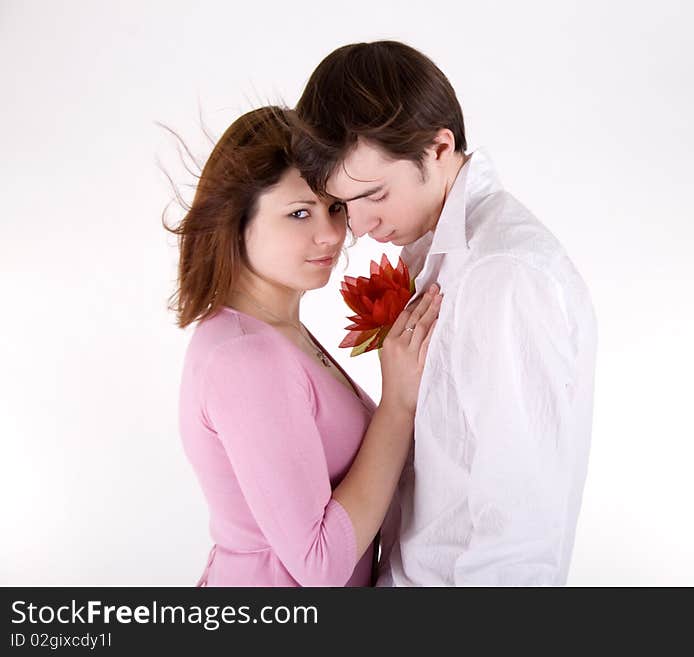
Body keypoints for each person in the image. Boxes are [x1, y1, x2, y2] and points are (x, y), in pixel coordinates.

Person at [291, 41, 598, 586]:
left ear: (438, 148)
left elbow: (520, 532)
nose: (358, 227)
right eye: (345, 204)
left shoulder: (501, 275)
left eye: (375, 195)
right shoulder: (444, 260)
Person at [166, 106, 442, 586]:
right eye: (299, 213)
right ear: (237, 220)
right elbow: (321, 564)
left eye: (335, 207)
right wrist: (397, 402)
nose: (331, 234)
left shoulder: (274, 332)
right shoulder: (246, 358)